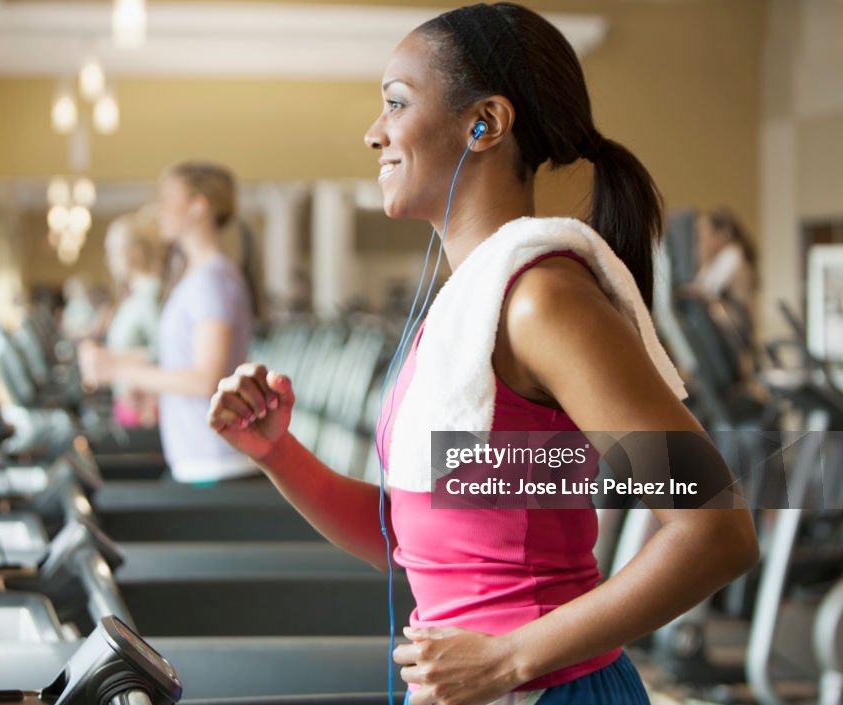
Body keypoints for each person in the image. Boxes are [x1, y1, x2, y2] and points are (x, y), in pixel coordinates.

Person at [207, 4, 758, 705]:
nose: (373, 134)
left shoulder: (541, 301)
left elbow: (716, 528)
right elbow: (414, 542)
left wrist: (507, 659)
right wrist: (278, 451)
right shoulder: (465, 311)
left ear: (485, 124)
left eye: (396, 104)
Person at [80, 161, 258, 483]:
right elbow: (186, 364)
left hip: (214, 461)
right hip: (195, 457)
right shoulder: (196, 277)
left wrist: (120, 371)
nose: (159, 209)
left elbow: (207, 379)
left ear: (197, 207)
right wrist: (152, 389)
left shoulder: (212, 281)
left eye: (167, 198)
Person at [100, 211, 164, 428]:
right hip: (128, 400)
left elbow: (164, 352)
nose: (108, 259)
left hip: (144, 407)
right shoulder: (135, 295)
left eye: (114, 251)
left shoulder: (151, 295)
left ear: (137, 252)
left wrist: (110, 362)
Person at [691, 207, 759, 355]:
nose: (700, 240)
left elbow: (741, 315)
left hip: (734, 343)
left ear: (722, 235)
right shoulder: (713, 265)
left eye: (703, 234)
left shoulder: (736, 265)